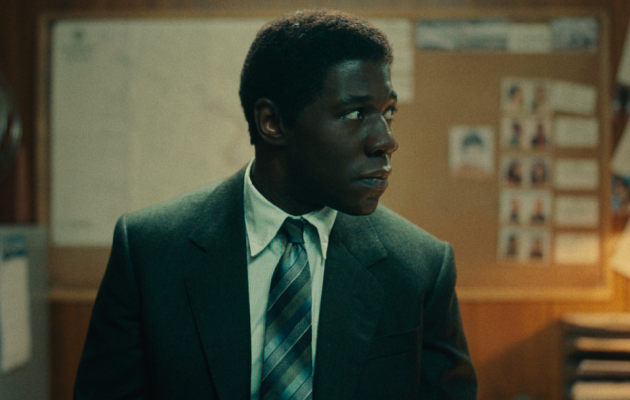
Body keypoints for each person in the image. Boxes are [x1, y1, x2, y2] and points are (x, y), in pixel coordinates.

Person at [74, 10, 477, 400]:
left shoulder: (420, 267)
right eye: (355, 113)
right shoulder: (150, 252)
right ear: (272, 122)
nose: (385, 140)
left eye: (388, 113)